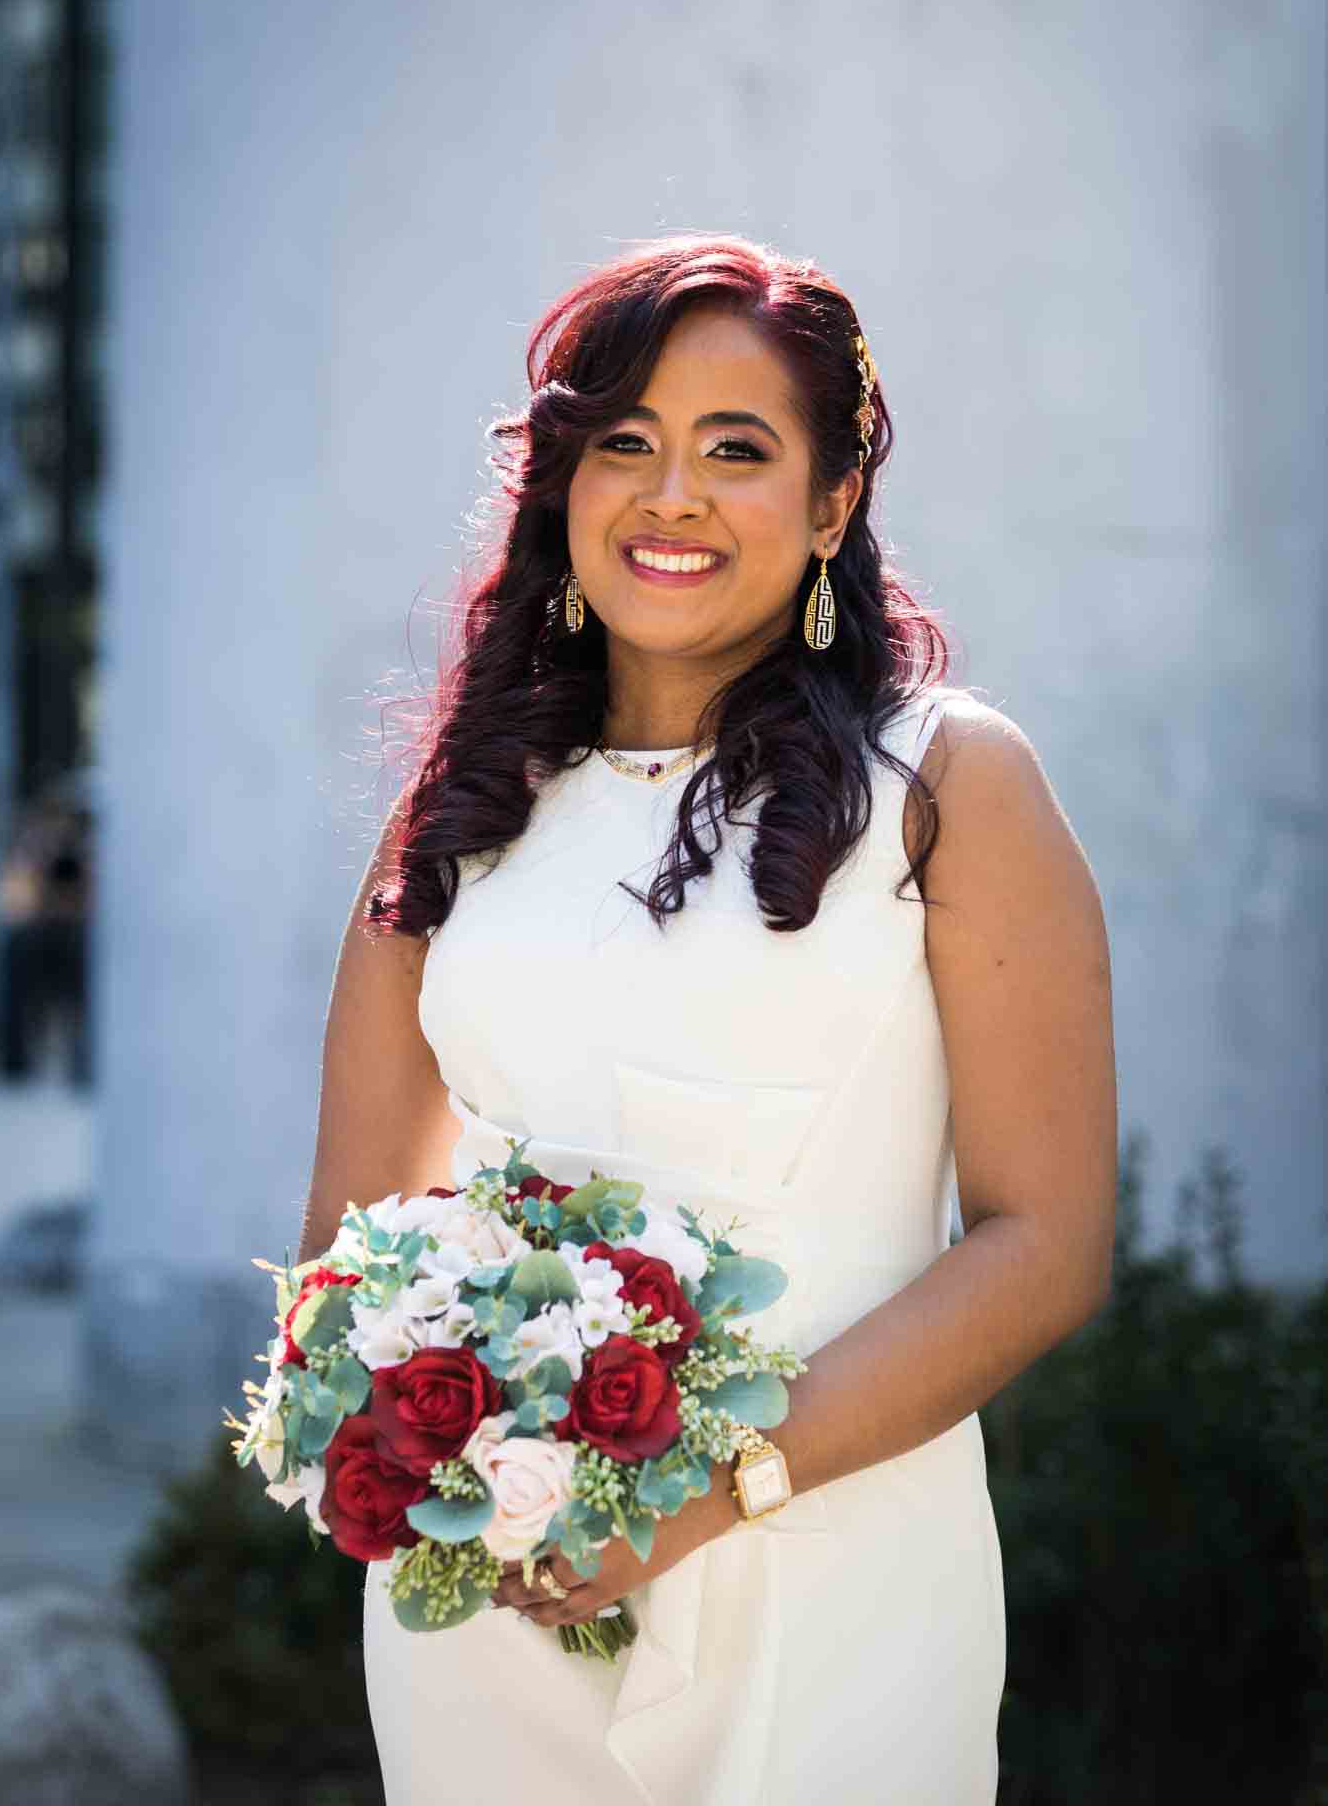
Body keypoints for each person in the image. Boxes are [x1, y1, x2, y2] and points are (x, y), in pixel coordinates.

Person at [297, 234, 1118, 1804]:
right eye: (625, 445)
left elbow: (1045, 1243)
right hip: (495, 1596)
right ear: (562, 487)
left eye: (735, 452)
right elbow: (351, 1236)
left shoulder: (947, 785)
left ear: (828, 509)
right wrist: (433, 1450)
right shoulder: (458, 809)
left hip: (829, 1569)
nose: (669, 495)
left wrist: (710, 1490)